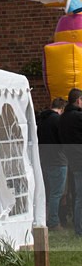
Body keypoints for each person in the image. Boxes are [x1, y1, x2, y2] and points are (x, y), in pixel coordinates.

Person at [36, 97, 67, 229]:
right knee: (57, 193)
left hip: (44, 158)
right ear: (62, 109)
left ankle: (46, 217)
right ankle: (54, 221)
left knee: (48, 192)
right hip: (58, 159)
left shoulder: (42, 119)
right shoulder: (58, 120)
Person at [58, 88, 82, 235]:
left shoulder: (62, 118)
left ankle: (78, 227)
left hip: (72, 159)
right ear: (78, 100)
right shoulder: (78, 117)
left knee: (77, 195)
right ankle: (79, 228)